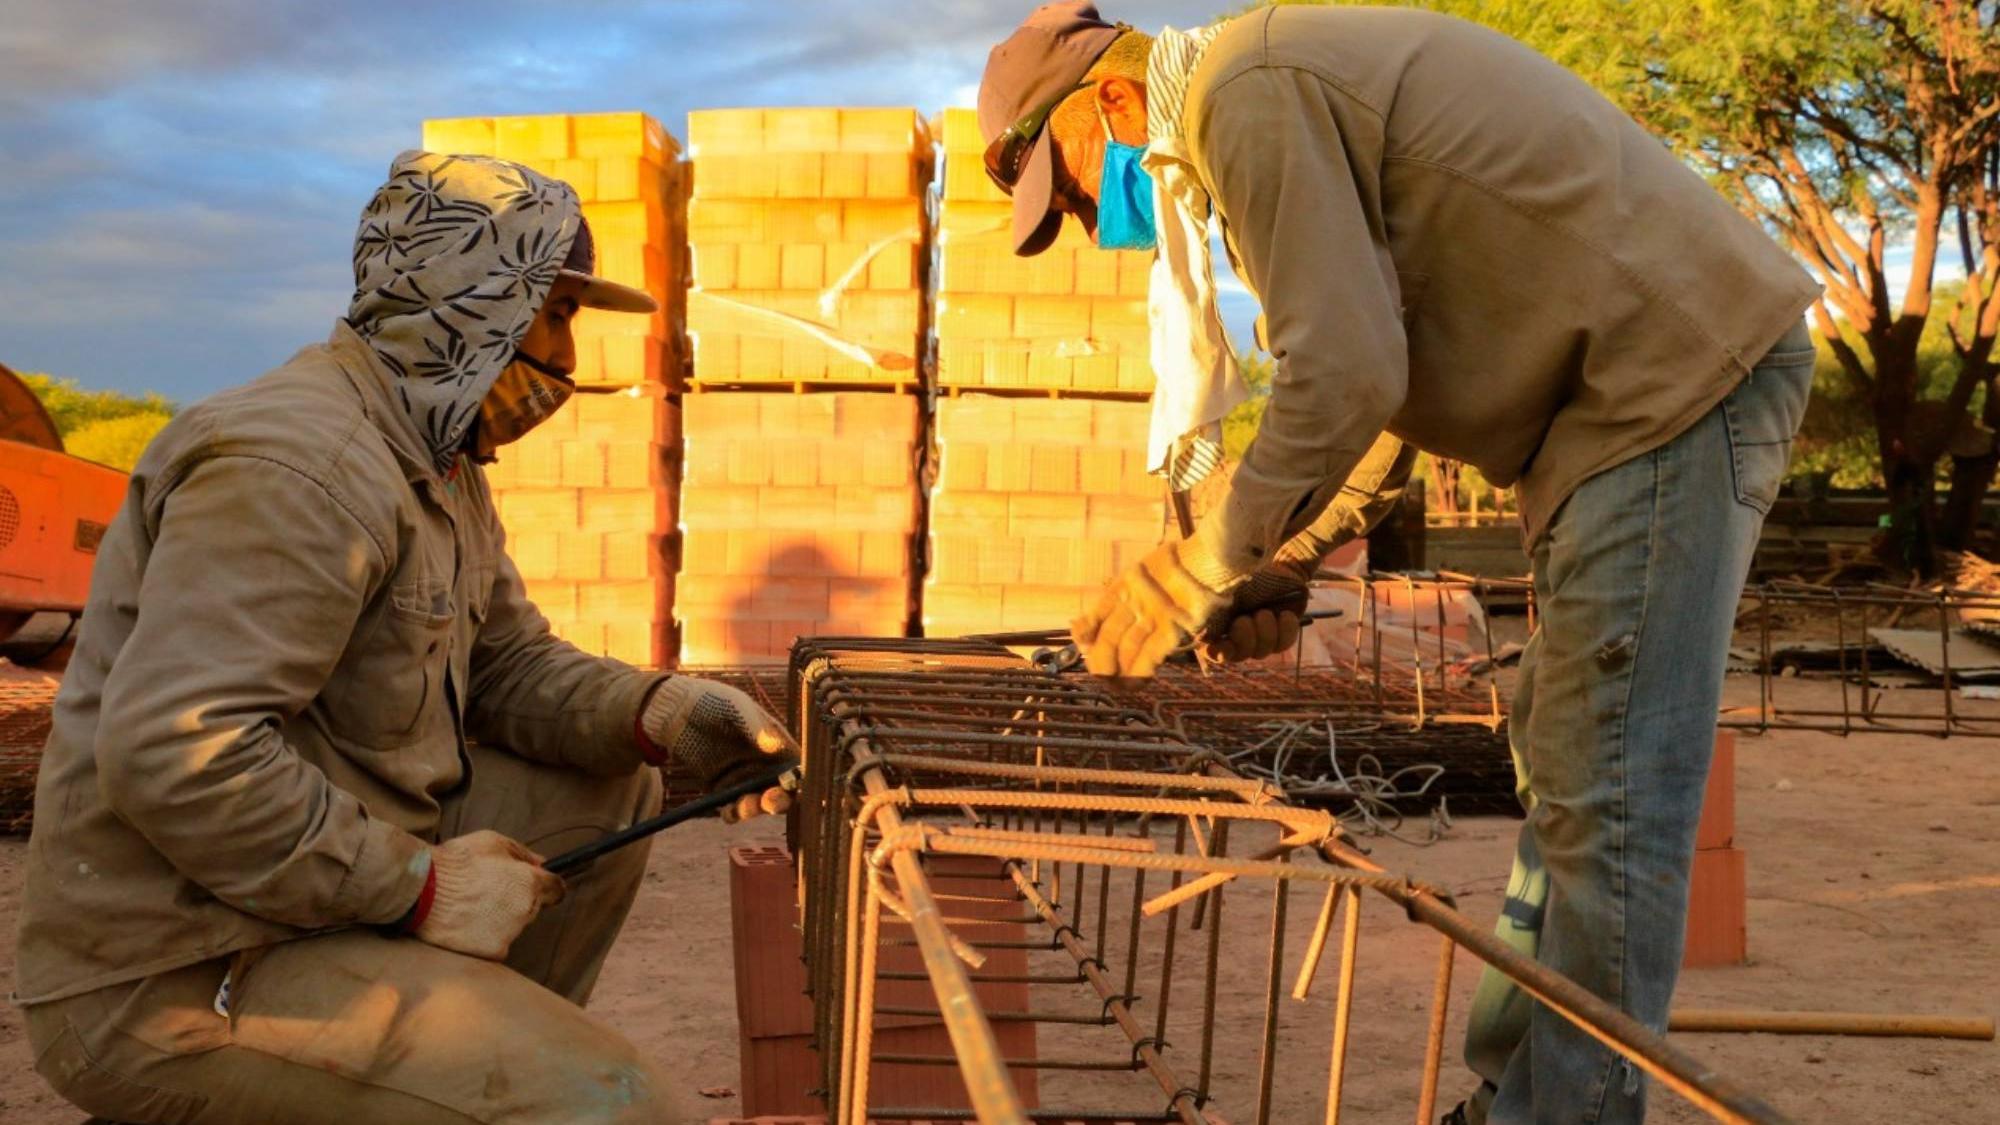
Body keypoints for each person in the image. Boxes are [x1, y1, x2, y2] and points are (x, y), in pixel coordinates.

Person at [977, 4, 1819, 1123]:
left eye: (1074, 189)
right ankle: (1512, 1099)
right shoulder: (1257, 97)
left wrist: (1191, 570)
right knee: (1568, 770)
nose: (1091, 220)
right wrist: (1277, 560)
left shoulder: (1244, 93)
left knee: (1612, 798)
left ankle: (1562, 1117)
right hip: (1612, 416)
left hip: (1664, 389)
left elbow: (1347, 373)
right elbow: (1387, 377)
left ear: (1115, 101)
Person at [15, 150, 794, 1124]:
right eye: (556, 315)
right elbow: (178, 755)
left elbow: (505, 663)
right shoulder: (297, 471)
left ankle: (457, 1078)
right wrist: (419, 888)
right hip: (177, 963)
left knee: (603, 777)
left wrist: (656, 711)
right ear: (475, 302)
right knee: (616, 1105)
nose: (570, 357)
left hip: (295, 898)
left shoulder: (431, 458)